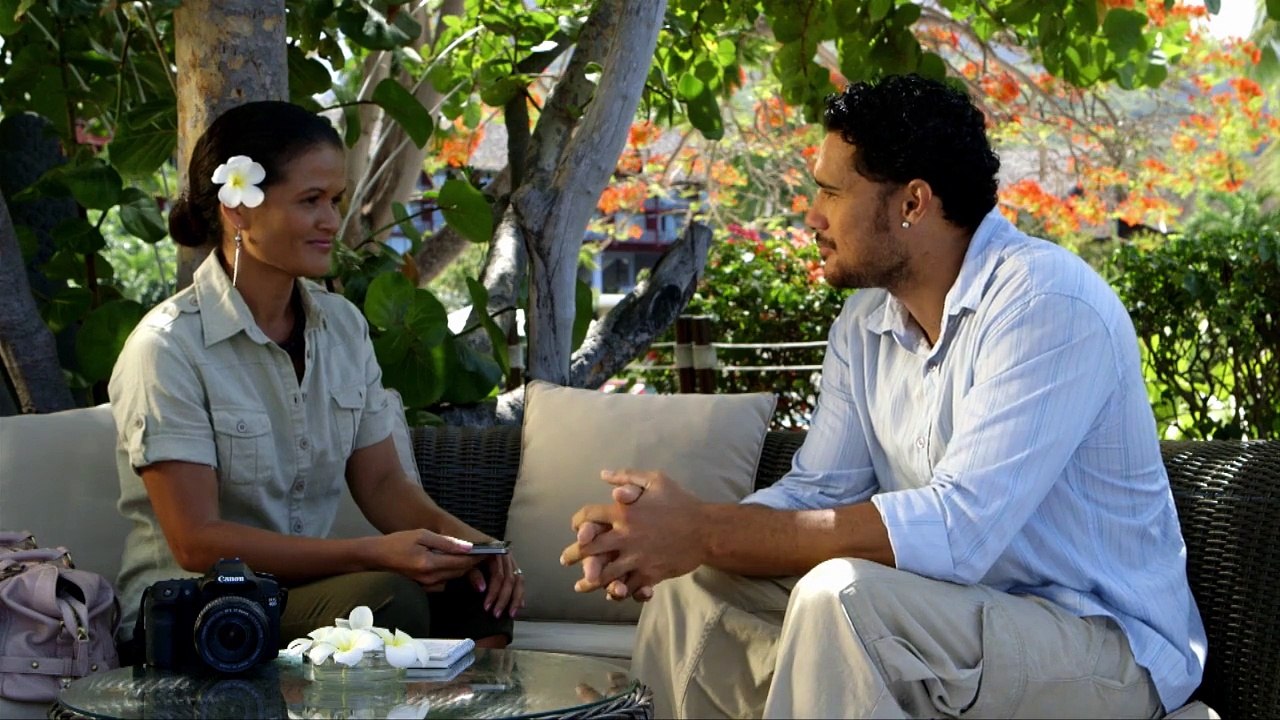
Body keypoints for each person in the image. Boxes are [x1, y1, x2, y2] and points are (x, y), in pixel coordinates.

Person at [560, 75, 1206, 718]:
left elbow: (959, 530)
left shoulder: (1046, 303)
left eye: (831, 193)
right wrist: (672, 539)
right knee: (695, 590)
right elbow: (819, 492)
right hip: (947, 622)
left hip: (1101, 649)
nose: (811, 215)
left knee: (841, 596)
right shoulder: (865, 323)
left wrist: (707, 529)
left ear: (913, 204)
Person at [109, 100, 523, 654]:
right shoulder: (167, 348)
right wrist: (369, 553)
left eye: (335, 201)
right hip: (198, 612)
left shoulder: (342, 327)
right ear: (238, 210)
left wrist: (479, 550)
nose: (332, 221)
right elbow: (196, 542)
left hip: (301, 594)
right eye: (311, 201)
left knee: (475, 593)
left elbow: (381, 485)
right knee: (388, 599)